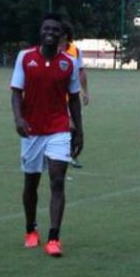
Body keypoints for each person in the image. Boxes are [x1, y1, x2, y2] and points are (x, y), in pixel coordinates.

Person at [10, 13, 84, 257]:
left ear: (61, 35)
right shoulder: (25, 58)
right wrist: (19, 118)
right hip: (32, 130)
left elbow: (73, 98)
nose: (50, 33)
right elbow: (16, 92)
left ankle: (54, 237)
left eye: (55, 30)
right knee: (31, 182)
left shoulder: (68, 63)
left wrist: (79, 131)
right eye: (46, 29)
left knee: (57, 180)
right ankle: (31, 229)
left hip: (59, 129)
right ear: (40, 33)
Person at [61, 21, 89, 168]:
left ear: (65, 35)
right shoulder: (50, 50)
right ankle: (66, 155)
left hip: (72, 96)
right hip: (57, 97)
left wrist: (85, 92)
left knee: (74, 126)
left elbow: (81, 71)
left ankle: (70, 155)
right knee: (69, 126)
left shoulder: (75, 51)